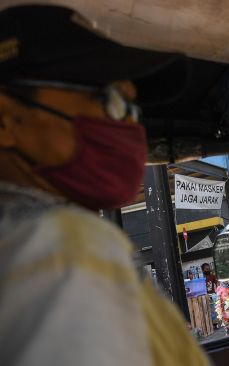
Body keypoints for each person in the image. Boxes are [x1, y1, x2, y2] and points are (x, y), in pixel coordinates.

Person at [0, 5, 208, 366]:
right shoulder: (63, 243)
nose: (130, 128)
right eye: (107, 100)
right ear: (5, 121)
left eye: (131, 109)